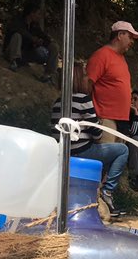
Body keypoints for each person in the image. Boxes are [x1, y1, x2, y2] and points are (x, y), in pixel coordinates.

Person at [50, 62, 128, 217]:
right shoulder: (83, 100)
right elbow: (97, 134)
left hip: (62, 153)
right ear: (79, 79)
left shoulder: (57, 103)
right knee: (122, 150)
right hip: (82, 151)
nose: (88, 79)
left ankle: (98, 189)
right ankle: (107, 190)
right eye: (85, 75)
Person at [86, 21, 138, 142]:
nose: (132, 41)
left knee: (118, 157)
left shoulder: (121, 58)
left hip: (122, 119)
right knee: (105, 155)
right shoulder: (102, 55)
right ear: (120, 35)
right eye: (130, 37)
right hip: (105, 118)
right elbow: (87, 85)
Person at [2, 3, 56, 83]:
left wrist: (49, 42)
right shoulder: (18, 20)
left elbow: (42, 35)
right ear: (31, 13)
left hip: (25, 53)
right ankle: (14, 61)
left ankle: (48, 75)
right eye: (38, 14)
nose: (39, 16)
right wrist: (32, 38)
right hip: (10, 51)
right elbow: (17, 30)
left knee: (53, 47)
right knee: (17, 36)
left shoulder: (34, 26)